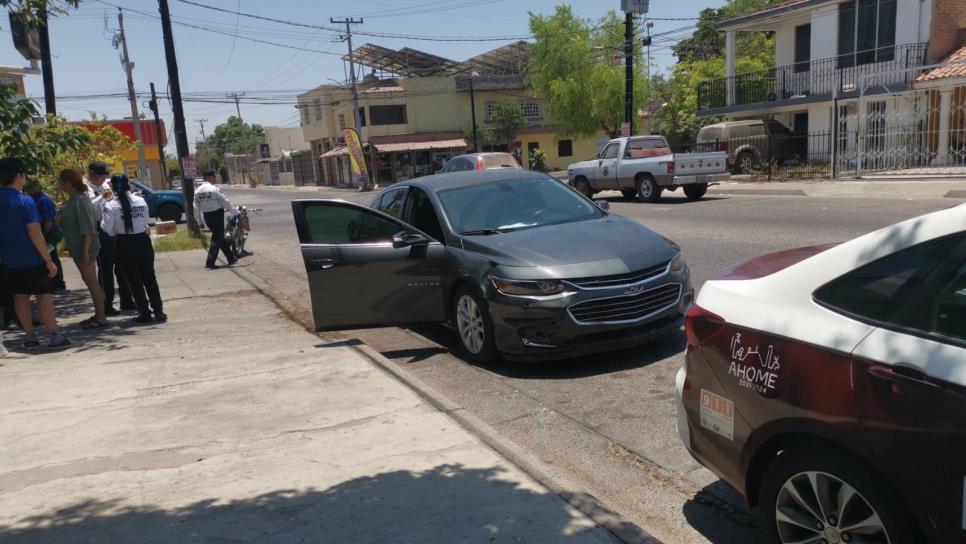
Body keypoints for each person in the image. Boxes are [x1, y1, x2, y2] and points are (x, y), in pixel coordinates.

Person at [0, 158, 70, 349]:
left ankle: (30, 337)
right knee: (43, 295)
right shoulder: (25, 200)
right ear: (18, 176)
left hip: (9, 259)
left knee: (19, 295)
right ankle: (54, 335)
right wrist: (48, 260)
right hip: (32, 257)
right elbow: (35, 232)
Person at [101, 174, 165, 324]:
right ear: (128, 185)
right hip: (143, 240)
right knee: (149, 277)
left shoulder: (110, 205)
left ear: (113, 188)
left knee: (133, 280)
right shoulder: (140, 200)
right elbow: (145, 221)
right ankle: (159, 310)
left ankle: (144, 312)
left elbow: (107, 229)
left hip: (124, 243)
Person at [58, 169, 108, 329]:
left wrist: (85, 251)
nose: (58, 184)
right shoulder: (73, 200)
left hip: (84, 248)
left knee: (92, 282)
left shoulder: (81, 200)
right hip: (77, 247)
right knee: (89, 281)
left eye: (60, 181)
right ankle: (99, 314)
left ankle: (101, 317)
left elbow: (88, 229)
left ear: (67, 182)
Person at [88, 162, 135, 315]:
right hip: (98, 228)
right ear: (91, 174)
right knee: (105, 269)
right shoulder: (85, 187)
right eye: (101, 176)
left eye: (105, 176)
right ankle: (106, 304)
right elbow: (89, 207)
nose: (104, 179)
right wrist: (102, 197)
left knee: (122, 265)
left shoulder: (104, 184)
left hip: (113, 226)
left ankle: (126, 300)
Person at [24, 180, 66, 291]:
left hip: (50, 234)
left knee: (51, 256)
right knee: (50, 256)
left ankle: (58, 282)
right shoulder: (35, 199)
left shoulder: (43, 200)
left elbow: (48, 221)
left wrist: (44, 236)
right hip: (46, 232)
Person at [194, 171, 237, 269]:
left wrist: (199, 221)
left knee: (218, 236)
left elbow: (195, 208)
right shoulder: (215, 189)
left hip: (207, 216)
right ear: (210, 178)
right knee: (217, 237)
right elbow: (225, 202)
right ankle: (210, 262)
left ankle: (230, 258)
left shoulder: (197, 191)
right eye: (214, 178)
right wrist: (236, 213)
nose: (214, 180)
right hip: (217, 214)